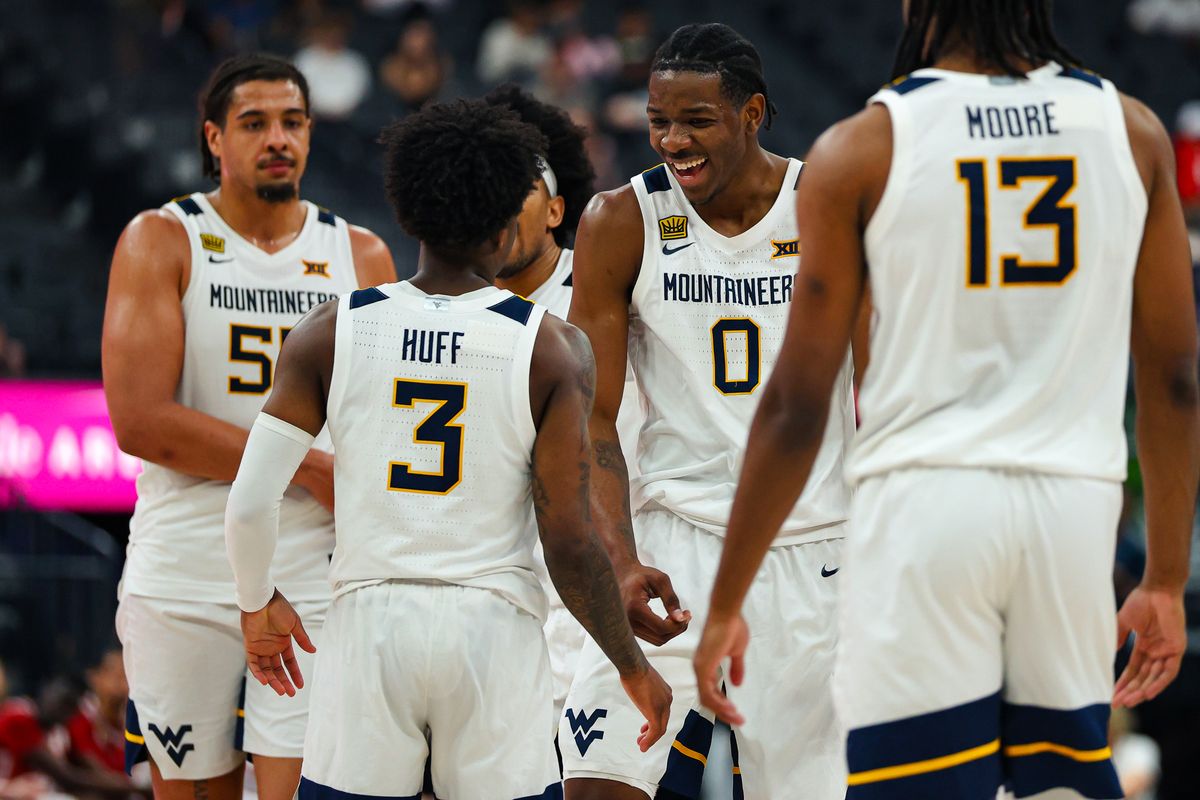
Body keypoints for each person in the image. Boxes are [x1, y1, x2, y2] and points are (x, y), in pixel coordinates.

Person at [693, 1, 1200, 799]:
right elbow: (1173, 374)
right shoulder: (1130, 131)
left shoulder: (863, 146)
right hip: (1071, 510)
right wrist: (1165, 578)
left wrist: (725, 599)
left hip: (925, 505)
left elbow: (796, 403)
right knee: (1062, 781)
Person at [222, 97, 672, 800]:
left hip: (370, 624)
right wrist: (629, 664)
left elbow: (250, 503)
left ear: (406, 210)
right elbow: (569, 538)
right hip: (491, 630)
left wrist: (257, 605)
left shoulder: (329, 330)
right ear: (502, 219)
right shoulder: (552, 348)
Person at [562, 22, 856, 800]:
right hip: (676, 544)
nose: (673, 140)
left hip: (813, 550)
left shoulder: (825, 205)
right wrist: (620, 559)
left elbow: (889, 389)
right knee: (595, 782)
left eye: (697, 120)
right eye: (660, 121)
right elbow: (593, 419)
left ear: (753, 112)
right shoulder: (620, 221)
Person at [102, 54, 396, 800]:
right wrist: (304, 466)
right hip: (186, 565)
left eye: (293, 122)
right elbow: (141, 423)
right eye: (255, 123)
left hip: (313, 567)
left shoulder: (360, 255)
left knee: (307, 790)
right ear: (214, 139)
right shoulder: (160, 239)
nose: (278, 139)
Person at [65, 647, 128, 776]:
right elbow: (96, 770)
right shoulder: (80, 716)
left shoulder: (130, 719)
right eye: (116, 675)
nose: (123, 683)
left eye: (126, 676)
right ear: (95, 677)